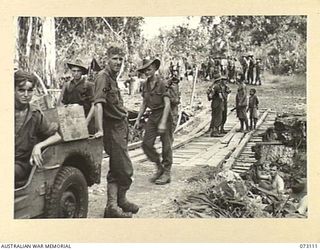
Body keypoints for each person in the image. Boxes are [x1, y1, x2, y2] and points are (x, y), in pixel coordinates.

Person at [94, 46, 139, 218]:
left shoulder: (112, 79)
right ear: (107, 59)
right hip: (112, 129)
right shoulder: (103, 78)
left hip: (121, 127)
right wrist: (99, 129)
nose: (118, 62)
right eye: (115, 58)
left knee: (116, 167)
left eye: (121, 59)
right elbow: (98, 103)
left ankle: (114, 205)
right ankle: (118, 201)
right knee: (126, 170)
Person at [15, 70, 61, 188]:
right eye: (21, 90)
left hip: (20, 163)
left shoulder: (34, 113)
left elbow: (56, 136)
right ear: (13, 90)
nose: (26, 95)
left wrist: (38, 146)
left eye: (29, 90)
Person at [134, 58, 173, 185]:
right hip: (153, 115)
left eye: (149, 69)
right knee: (146, 143)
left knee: (166, 144)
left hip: (164, 114)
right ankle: (159, 167)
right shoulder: (145, 84)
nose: (147, 72)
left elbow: (167, 105)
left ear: (155, 69)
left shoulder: (162, 83)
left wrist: (162, 122)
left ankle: (166, 172)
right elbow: (144, 102)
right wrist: (138, 118)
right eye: (145, 70)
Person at [59, 59, 95, 134]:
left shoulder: (88, 85)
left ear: (82, 72)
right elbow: (63, 103)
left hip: (86, 117)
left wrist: (87, 121)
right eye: (74, 71)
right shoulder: (68, 85)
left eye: (78, 71)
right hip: (72, 119)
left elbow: (94, 105)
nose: (76, 73)